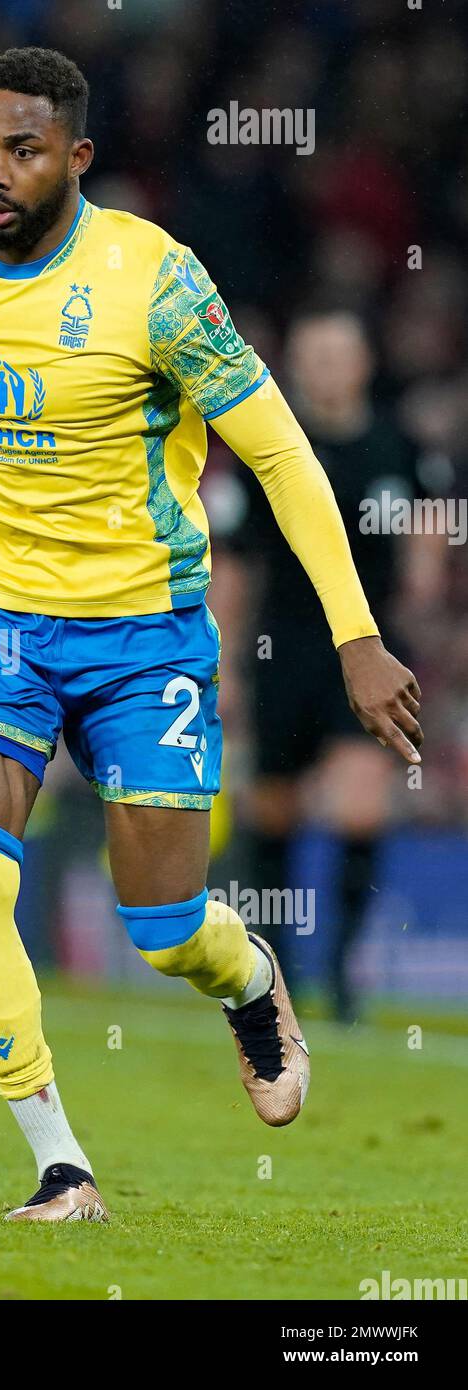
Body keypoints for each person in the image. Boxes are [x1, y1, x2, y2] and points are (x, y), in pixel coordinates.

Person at [0, 48, 422, 1222]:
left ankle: (248, 979)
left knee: (160, 923)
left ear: (76, 158)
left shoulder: (155, 280)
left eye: (21, 150)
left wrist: (357, 635)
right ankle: (60, 1164)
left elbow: (281, 451)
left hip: (143, 629)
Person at [235, 310, 438, 1021]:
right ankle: (280, 975)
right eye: (310, 353)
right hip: (284, 646)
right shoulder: (267, 445)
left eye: (336, 353)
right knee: (274, 809)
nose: (323, 366)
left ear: (362, 363)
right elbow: (235, 561)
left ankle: (345, 977)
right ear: (293, 363)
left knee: (360, 805)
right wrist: (230, 664)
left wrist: (422, 597)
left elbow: (428, 530)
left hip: (373, 649)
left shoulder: (397, 446)